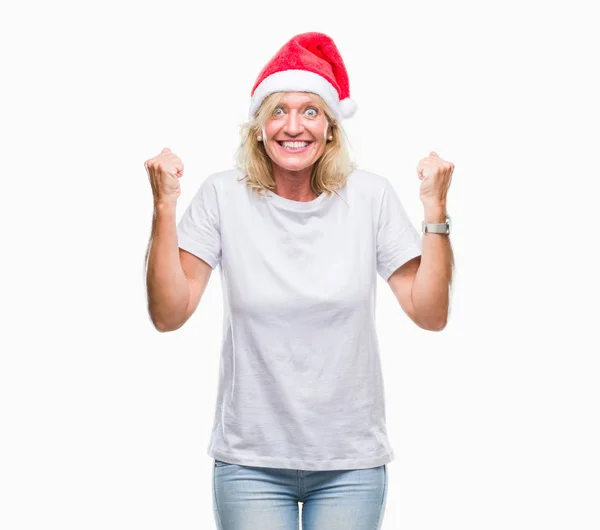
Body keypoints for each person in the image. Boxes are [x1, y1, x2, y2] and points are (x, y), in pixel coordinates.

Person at [145, 31, 454, 530]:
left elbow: (430, 313)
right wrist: (164, 206)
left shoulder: (369, 197)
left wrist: (435, 210)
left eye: (310, 110)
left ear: (331, 127)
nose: (294, 126)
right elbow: (169, 313)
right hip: (250, 462)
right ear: (259, 129)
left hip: (350, 463)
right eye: (278, 111)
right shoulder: (223, 195)